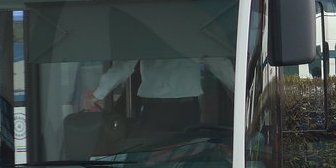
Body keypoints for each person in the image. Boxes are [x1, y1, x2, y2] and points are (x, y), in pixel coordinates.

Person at [83, 56, 233, 135]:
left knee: (156, 151)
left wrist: (98, 94)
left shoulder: (146, 28)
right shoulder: (195, 29)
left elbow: (125, 65)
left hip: (160, 107)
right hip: (175, 107)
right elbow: (219, 64)